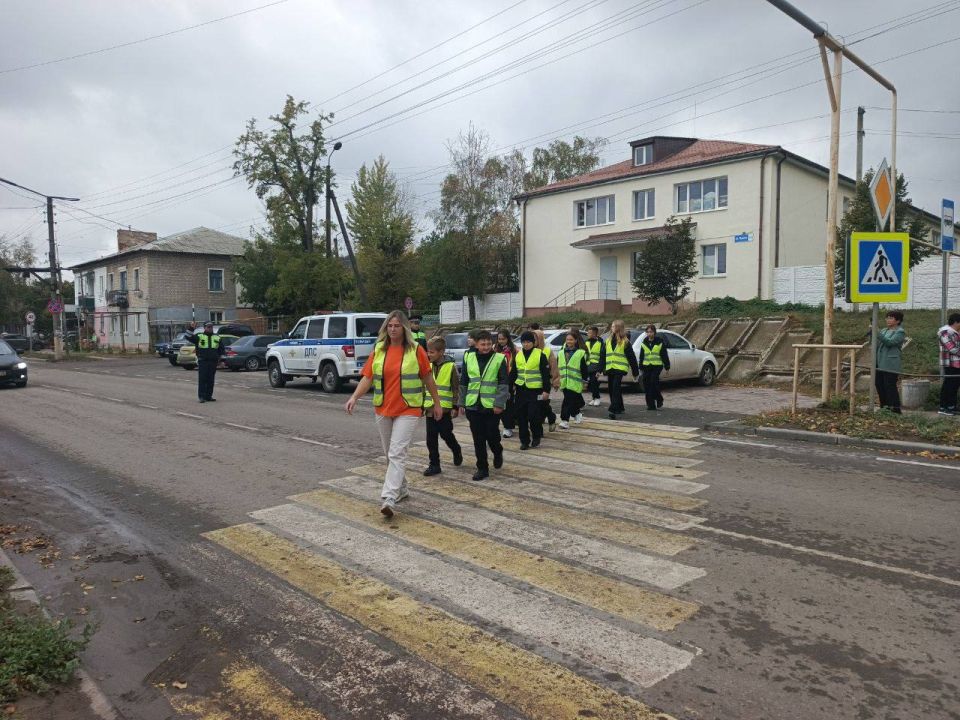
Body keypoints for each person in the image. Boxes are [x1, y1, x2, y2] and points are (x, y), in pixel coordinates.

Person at [345, 311, 443, 518]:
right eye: (390, 326)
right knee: (390, 453)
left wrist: (437, 403)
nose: (393, 329)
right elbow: (367, 378)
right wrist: (354, 397)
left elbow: (428, 378)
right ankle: (402, 489)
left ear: (404, 328)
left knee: (397, 453)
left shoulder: (416, 350)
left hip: (409, 408)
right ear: (385, 328)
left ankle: (389, 497)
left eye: (397, 326)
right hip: (383, 408)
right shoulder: (379, 349)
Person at [458, 330, 509, 481]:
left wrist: (499, 403)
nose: (486, 347)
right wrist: (461, 402)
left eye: (488, 344)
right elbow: (464, 381)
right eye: (483, 344)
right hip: (473, 405)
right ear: (477, 344)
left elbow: (503, 383)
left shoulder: (499, 359)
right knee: (478, 438)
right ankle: (482, 468)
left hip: (491, 406)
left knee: (492, 435)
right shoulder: (469, 357)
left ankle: (497, 451)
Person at [422, 337, 463, 475]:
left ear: (441, 352)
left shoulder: (451, 367)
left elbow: (456, 388)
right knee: (431, 438)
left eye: (432, 352)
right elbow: (423, 386)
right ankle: (434, 465)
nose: (429, 354)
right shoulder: (427, 366)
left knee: (446, 434)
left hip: (445, 410)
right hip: (430, 409)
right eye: (428, 352)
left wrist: (455, 406)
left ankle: (456, 449)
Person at [509, 331, 551, 450]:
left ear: (533, 343)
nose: (526, 344)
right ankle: (524, 441)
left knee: (534, 416)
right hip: (521, 390)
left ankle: (536, 436)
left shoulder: (540, 355)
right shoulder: (518, 355)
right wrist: (509, 387)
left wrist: (546, 391)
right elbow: (513, 373)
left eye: (528, 342)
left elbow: (545, 375)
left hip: (535, 391)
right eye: (524, 342)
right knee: (521, 417)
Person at [599, 319, 639, 420]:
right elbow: (603, 356)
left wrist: (635, 372)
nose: (611, 328)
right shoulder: (607, 341)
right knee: (612, 389)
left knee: (615, 387)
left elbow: (632, 357)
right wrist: (599, 370)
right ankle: (620, 407)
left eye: (613, 326)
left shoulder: (625, 342)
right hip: (610, 368)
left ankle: (613, 409)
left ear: (618, 328)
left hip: (620, 369)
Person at [874, 310, 905, 414]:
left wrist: (877, 333)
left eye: (891, 318)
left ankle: (895, 410)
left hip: (890, 363)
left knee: (890, 386)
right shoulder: (884, 330)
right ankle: (884, 408)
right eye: (887, 318)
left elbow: (890, 342)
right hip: (879, 361)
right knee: (879, 384)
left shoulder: (900, 332)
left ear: (898, 321)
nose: (888, 320)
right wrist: (872, 334)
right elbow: (877, 343)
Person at [185, 321, 225, 403]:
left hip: (213, 362)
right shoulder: (199, 336)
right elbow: (187, 336)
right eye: (208, 327)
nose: (210, 328)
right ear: (205, 328)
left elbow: (221, 350)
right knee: (203, 379)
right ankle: (202, 397)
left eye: (211, 327)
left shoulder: (217, 337)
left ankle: (208, 396)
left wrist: (222, 361)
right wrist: (192, 327)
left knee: (211, 380)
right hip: (203, 361)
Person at [557, 330, 589, 429]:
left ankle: (564, 420)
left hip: (575, 382)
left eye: (571, 340)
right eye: (567, 340)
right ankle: (577, 413)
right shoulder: (561, 352)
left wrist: (585, 380)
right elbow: (558, 367)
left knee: (567, 401)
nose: (569, 341)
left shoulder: (580, 353)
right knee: (571, 401)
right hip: (564, 381)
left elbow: (584, 368)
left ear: (576, 340)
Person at [637, 324, 671, 411]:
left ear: (654, 333)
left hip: (656, 366)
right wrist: (640, 366)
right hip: (646, 366)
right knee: (646, 385)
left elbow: (664, 355)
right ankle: (650, 405)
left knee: (653, 382)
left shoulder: (659, 342)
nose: (649, 334)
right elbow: (642, 356)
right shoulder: (644, 343)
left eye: (651, 332)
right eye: (647, 332)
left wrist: (667, 366)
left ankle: (659, 398)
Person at [534, 330, 559, 431]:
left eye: (535, 339)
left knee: (542, 404)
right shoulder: (528, 350)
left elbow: (554, 367)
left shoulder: (547, 351)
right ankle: (539, 425)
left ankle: (551, 419)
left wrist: (556, 381)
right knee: (536, 405)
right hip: (531, 385)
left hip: (543, 384)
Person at [495, 329, 517, 438]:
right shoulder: (495, 351)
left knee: (508, 405)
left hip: (510, 381)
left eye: (503, 339)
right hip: (497, 382)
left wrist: (513, 383)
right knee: (499, 404)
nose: (501, 341)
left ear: (508, 339)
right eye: (499, 339)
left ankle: (508, 427)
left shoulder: (514, 351)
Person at [938, 313, 960, 415]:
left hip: (957, 363)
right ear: (956, 322)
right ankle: (943, 407)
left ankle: (952, 406)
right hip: (950, 363)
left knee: (955, 385)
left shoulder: (955, 332)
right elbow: (952, 348)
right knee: (949, 385)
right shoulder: (945, 332)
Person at [584, 325, 603, 407]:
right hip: (588, 365)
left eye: (590, 333)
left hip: (596, 365)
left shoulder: (601, 342)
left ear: (595, 333)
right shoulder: (587, 342)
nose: (588, 334)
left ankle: (597, 398)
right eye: (588, 332)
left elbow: (602, 356)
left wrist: (600, 369)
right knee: (590, 383)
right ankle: (594, 398)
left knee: (594, 382)